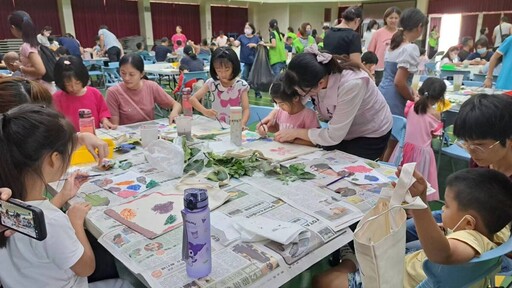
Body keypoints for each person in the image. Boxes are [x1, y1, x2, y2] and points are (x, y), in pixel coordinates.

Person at [0, 104, 133, 288]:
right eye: (67, 154)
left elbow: (34, 222)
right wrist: (75, 223)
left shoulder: (6, 206)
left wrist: (62, 196)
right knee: (125, 283)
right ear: (54, 160)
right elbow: (86, 268)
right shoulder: (54, 222)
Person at [313, 167, 512, 288]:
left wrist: (419, 207)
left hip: (395, 281)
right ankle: (353, 263)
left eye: (447, 206)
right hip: (408, 267)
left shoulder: (472, 239)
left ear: (469, 223)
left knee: (323, 280)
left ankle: (350, 262)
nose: (442, 209)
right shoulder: (490, 234)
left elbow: (443, 255)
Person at [406, 93, 512, 245]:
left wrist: (456, 235)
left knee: (411, 249)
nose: (470, 150)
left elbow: (504, 246)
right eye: (465, 143)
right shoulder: (480, 161)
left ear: (509, 140)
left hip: (488, 242)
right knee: (404, 230)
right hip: (466, 221)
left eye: (479, 145)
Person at [266, 46, 392, 160]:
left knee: (348, 172)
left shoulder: (352, 84)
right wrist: (274, 113)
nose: (299, 95)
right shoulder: (311, 75)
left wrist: (295, 132)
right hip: (341, 131)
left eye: (302, 92)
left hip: (369, 134)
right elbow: (293, 99)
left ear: (320, 84)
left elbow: (333, 136)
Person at [378, 8, 426, 162]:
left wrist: (410, 91)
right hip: (394, 97)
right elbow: (399, 82)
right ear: (419, 27)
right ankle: (381, 172)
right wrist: (413, 98)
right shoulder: (410, 48)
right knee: (391, 142)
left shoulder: (394, 45)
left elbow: (397, 78)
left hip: (382, 92)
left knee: (381, 140)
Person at [392, 78, 445, 200]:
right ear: (440, 97)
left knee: (401, 177)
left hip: (404, 147)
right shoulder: (435, 114)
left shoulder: (411, 105)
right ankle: (413, 206)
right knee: (417, 181)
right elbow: (435, 134)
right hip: (422, 154)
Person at [106, 53, 181, 125]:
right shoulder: (113, 93)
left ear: (142, 74)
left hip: (149, 133)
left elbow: (176, 104)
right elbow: (114, 125)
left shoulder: (151, 87)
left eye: (132, 74)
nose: (126, 78)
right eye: (123, 73)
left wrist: (174, 113)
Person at [189, 47, 250, 126]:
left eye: (227, 70)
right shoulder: (212, 83)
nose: (223, 74)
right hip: (216, 126)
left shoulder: (241, 85)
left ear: (234, 67)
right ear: (214, 69)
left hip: (235, 127)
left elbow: (246, 109)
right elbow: (192, 99)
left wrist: (242, 123)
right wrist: (205, 111)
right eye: (219, 70)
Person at [52, 56, 116, 131]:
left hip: (93, 136)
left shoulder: (94, 93)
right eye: (68, 84)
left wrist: (105, 120)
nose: (74, 88)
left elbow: (103, 111)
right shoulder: (56, 98)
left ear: (83, 78)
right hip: (71, 137)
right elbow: (56, 120)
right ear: (61, 82)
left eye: (77, 83)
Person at [257, 75, 319, 146]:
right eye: (277, 103)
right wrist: (266, 127)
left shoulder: (308, 115)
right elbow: (278, 128)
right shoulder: (281, 111)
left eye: (282, 104)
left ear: (295, 98)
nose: (279, 106)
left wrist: (292, 140)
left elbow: (314, 141)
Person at [7, 11, 52, 92]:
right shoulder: (34, 43)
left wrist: (20, 67)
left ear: (13, 27)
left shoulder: (26, 46)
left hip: (38, 89)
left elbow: (40, 70)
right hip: (43, 87)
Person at [368, 6, 401, 86]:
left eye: (396, 18)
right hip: (380, 68)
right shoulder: (378, 33)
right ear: (385, 18)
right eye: (391, 18)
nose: (393, 20)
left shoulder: (401, 33)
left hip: (397, 68)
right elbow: (370, 51)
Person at [232, 22, 261, 98]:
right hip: (245, 61)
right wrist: (232, 41)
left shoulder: (256, 38)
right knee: (244, 77)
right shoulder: (241, 37)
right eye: (245, 28)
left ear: (252, 29)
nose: (246, 29)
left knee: (254, 77)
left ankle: (257, 92)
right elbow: (236, 44)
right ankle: (243, 92)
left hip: (254, 61)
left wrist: (255, 45)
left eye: (248, 28)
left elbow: (262, 45)